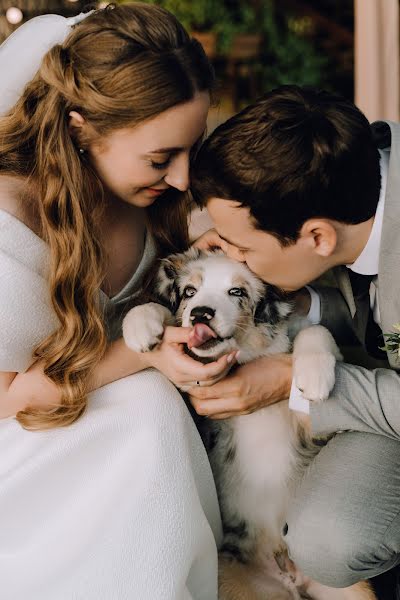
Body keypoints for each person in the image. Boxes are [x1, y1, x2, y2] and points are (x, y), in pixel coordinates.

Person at [0, 4, 239, 598]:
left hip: (95, 405)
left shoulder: (143, 194)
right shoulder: (7, 221)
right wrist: (149, 353)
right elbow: (9, 397)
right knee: (145, 409)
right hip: (24, 433)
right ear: (81, 129)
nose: (184, 180)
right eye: (161, 159)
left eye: (191, 151)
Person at [189, 85, 400, 591]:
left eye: (241, 248)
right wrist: (303, 307)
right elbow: (370, 316)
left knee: (336, 540)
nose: (231, 257)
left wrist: (290, 381)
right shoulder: (352, 189)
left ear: (317, 237)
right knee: (322, 535)